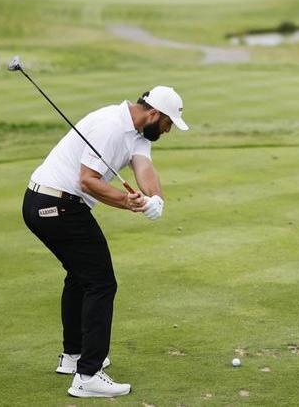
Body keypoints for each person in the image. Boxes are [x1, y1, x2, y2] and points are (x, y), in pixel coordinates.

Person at [22, 86, 188, 399]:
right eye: (168, 123)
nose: (167, 130)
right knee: (101, 283)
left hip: (46, 202)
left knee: (81, 276)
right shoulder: (112, 126)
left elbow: (144, 168)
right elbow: (87, 180)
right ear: (154, 114)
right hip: (56, 204)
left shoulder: (138, 133)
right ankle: (88, 376)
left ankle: (74, 357)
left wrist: (155, 199)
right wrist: (129, 203)